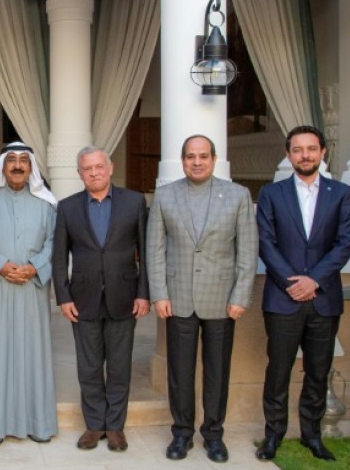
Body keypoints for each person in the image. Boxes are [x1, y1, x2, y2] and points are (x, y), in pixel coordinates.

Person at [146, 135, 257, 463]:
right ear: (182, 160)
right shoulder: (165, 196)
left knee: (217, 371)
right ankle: (181, 433)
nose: (197, 162)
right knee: (179, 371)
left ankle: (213, 434)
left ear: (214, 158)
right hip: (177, 298)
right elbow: (155, 249)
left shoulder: (238, 195)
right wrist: (159, 294)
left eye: (203, 156)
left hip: (222, 300)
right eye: (191, 156)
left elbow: (247, 251)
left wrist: (241, 296)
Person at [254, 126, 350, 462]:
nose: (305, 155)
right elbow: (266, 243)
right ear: (289, 155)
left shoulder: (341, 193)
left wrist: (313, 281)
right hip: (282, 300)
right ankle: (273, 437)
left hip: (324, 300)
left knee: (317, 370)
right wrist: (292, 282)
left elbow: (344, 244)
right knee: (278, 371)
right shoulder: (272, 193)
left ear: (323, 152)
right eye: (298, 150)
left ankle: (311, 436)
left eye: (311, 149)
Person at [52, 145, 149, 452]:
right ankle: (95, 425)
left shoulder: (134, 202)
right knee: (90, 367)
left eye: (98, 166)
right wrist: (63, 297)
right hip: (83, 299)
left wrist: (144, 293)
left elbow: (146, 254)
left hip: (125, 296)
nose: (93, 172)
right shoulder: (67, 207)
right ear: (79, 174)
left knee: (120, 366)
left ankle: (115, 427)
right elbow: (58, 258)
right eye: (86, 168)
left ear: (110, 168)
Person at [0, 142, 58, 446]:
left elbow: (54, 241)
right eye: (12, 160)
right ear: (2, 166)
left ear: (32, 167)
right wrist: (0, 265)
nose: (18, 166)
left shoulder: (47, 202)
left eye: (24, 160)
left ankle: (37, 423)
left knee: (32, 353)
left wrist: (35, 267)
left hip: (32, 290)